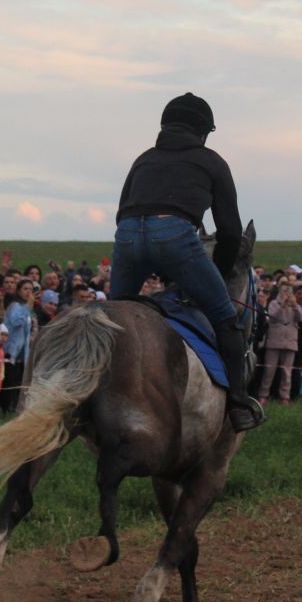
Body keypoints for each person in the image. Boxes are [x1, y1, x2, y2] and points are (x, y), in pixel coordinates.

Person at [110, 93, 261, 430]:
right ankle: (237, 404)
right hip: (174, 233)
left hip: (128, 234)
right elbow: (231, 234)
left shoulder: (143, 159)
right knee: (225, 319)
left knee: (112, 321)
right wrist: (216, 275)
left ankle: (91, 396)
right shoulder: (212, 161)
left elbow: (124, 209)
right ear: (203, 132)